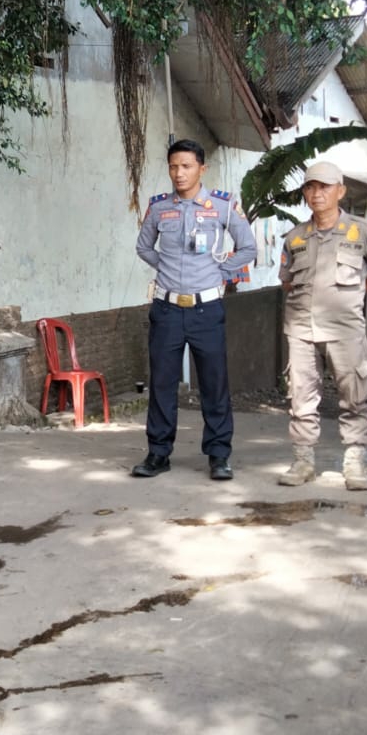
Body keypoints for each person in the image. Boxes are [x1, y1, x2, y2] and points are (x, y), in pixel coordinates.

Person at [133, 138, 257, 480]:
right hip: (167, 310)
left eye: (186, 166)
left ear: (202, 168)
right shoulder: (159, 208)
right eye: (174, 166)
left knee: (214, 384)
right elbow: (144, 247)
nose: (179, 173)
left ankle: (219, 455)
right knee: (162, 384)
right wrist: (167, 267)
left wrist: (220, 272)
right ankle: (158, 453)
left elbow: (247, 247)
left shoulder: (223, 206)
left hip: (207, 309)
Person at [277, 160, 367, 491]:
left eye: (324, 187)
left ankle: (355, 463)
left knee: (354, 398)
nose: (316, 194)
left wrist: (358, 289)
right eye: (310, 187)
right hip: (302, 331)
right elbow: (287, 282)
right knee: (301, 399)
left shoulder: (363, 232)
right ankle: (303, 461)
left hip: (345, 331)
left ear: (340, 191)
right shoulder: (295, 237)